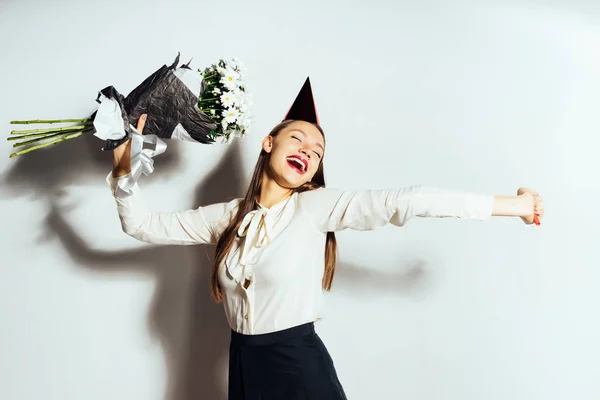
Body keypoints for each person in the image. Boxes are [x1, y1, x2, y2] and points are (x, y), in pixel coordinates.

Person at [107, 78, 545, 399]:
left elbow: (408, 200)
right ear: (267, 143)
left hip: (299, 367)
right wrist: (123, 168)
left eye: (317, 153)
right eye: (297, 139)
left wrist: (514, 205)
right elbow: (140, 225)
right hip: (244, 365)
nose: (307, 152)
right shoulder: (225, 218)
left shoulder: (315, 208)